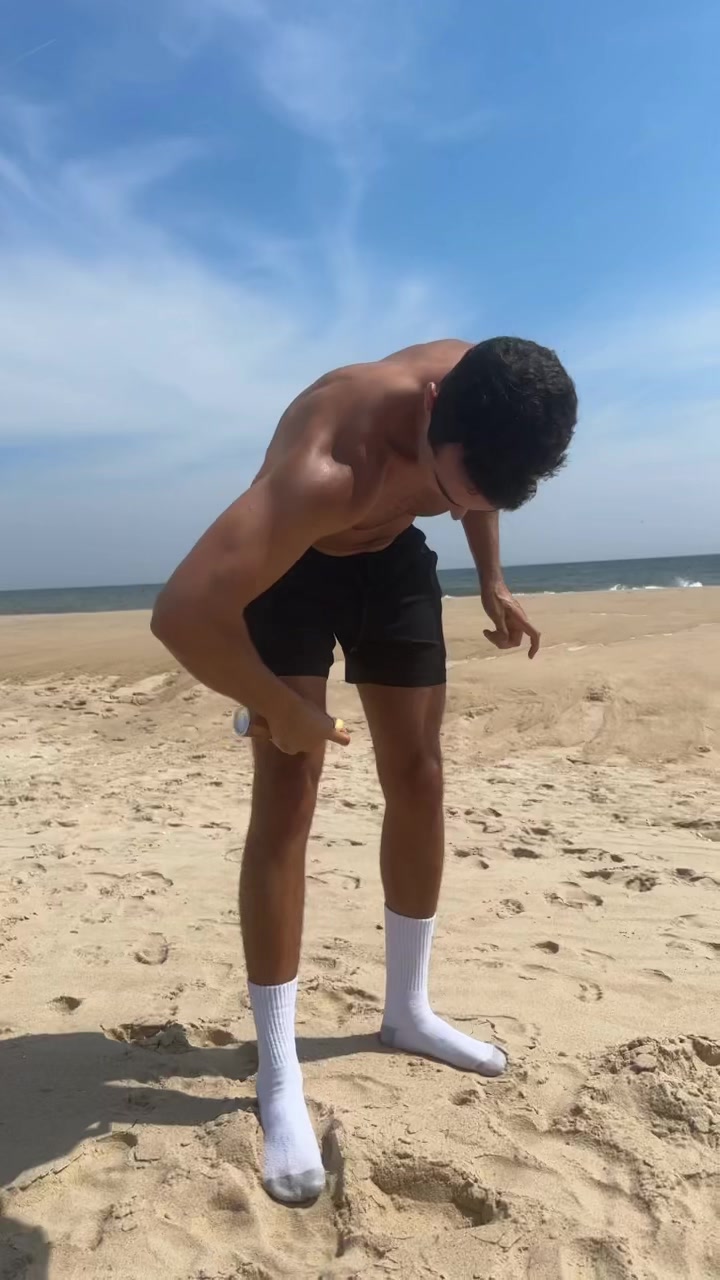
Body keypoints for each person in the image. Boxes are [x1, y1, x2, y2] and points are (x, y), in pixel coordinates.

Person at [151, 336, 578, 1203]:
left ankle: (407, 1011)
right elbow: (184, 612)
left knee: (419, 773)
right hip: (295, 568)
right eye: (454, 490)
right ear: (430, 409)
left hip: (389, 562)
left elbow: (479, 482)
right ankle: (279, 1071)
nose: (462, 506)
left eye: (486, 499)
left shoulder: (488, 393)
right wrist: (277, 706)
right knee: (289, 790)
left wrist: (491, 575)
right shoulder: (327, 466)